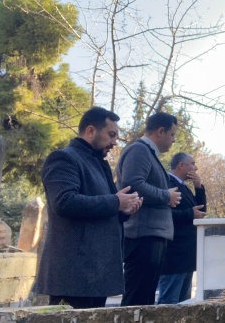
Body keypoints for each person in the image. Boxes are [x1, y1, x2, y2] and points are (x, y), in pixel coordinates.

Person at [34, 107, 143, 309]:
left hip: (95, 274)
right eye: (111, 135)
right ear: (91, 131)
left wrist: (122, 210)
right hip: (74, 275)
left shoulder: (98, 164)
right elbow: (64, 202)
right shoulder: (63, 158)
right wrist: (115, 202)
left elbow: (101, 209)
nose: (114, 142)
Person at [116, 112, 182, 306]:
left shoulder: (148, 153)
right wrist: (166, 196)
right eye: (172, 135)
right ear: (160, 131)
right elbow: (133, 184)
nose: (173, 140)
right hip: (143, 236)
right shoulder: (139, 150)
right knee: (137, 299)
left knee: (144, 300)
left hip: (151, 235)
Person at [156, 152, 207, 304]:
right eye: (192, 163)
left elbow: (200, 211)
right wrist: (189, 214)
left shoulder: (184, 187)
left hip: (186, 257)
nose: (195, 168)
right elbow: (164, 214)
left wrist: (198, 188)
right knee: (168, 304)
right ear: (181, 165)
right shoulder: (167, 183)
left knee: (183, 304)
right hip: (173, 256)